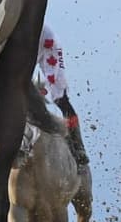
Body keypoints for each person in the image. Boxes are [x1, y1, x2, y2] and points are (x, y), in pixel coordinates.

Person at [34, 24, 90, 166]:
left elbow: (51, 77)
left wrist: (43, 87)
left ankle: (77, 145)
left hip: (47, 45)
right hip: (28, 45)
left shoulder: (50, 42)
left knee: (60, 98)